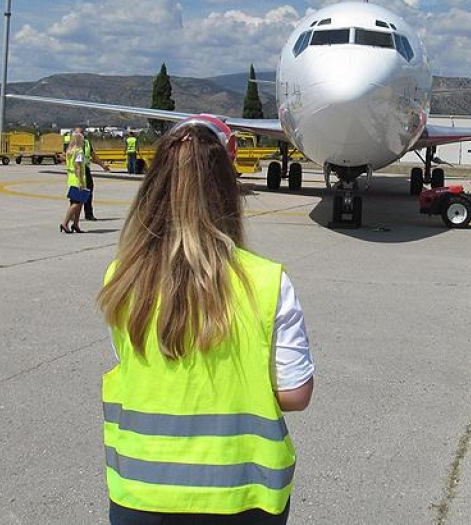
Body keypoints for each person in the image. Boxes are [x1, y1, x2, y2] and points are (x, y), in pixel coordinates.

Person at [97, 117, 314, 524]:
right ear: (228, 192)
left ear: (153, 192)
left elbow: (136, 364)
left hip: (141, 494)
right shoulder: (268, 283)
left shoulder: (122, 278)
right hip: (242, 498)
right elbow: (296, 394)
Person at [76, 127, 110, 221]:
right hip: (76, 170)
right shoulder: (72, 144)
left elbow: (93, 156)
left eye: (81, 133)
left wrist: (102, 165)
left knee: (88, 191)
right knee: (76, 193)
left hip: (85, 169)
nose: (79, 135)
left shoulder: (87, 143)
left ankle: (88, 214)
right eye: (77, 133)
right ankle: (73, 215)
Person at [61, 132, 87, 234]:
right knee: (76, 203)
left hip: (71, 178)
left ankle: (76, 224)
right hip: (77, 179)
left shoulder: (69, 151)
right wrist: (80, 181)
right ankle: (65, 223)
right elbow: (77, 166)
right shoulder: (79, 151)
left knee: (78, 203)